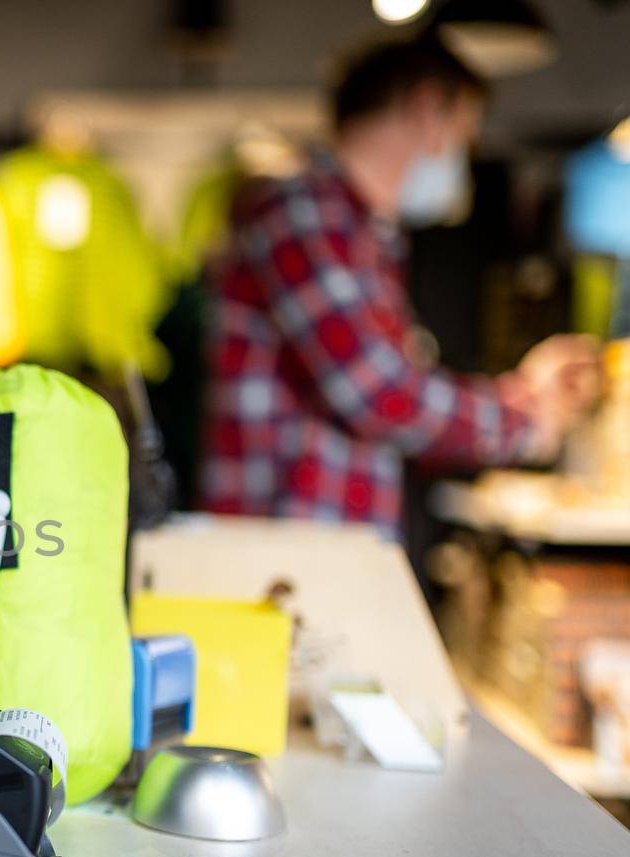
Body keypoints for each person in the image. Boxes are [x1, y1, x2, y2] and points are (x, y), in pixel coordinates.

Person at [200, 37, 599, 533]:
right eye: (464, 134)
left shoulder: (359, 231)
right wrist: (527, 420)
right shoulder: (304, 212)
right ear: (428, 108)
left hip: (318, 543)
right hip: (286, 551)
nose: (460, 158)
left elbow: (392, 389)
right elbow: (377, 392)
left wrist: (522, 394)